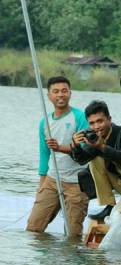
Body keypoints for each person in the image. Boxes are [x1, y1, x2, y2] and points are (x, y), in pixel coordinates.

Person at [26, 76, 89, 237]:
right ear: (49, 96)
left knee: (73, 234)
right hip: (52, 180)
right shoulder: (45, 123)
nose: (60, 95)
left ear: (70, 93)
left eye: (64, 91)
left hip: (77, 182)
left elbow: (84, 149)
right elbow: (44, 154)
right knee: (33, 228)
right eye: (55, 91)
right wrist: (41, 184)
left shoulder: (80, 117)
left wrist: (60, 147)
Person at [70, 100, 121, 221]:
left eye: (100, 121)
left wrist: (101, 146)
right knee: (94, 161)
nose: (96, 126)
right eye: (92, 123)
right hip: (119, 181)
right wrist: (75, 145)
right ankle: (109, 204)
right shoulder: (94, 137)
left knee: (119, 215)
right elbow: (82, 160)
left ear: (109, 119)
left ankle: (115, 209)